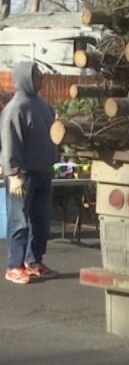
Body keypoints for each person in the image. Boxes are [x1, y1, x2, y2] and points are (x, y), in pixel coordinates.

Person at [2, 62, 59, 285]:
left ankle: (33, 261)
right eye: (36, 74)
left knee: (41, 222)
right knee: (19, 223)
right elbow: (9, 143)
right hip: (23, 175)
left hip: (43, 173)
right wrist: (14, 173)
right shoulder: (16, 108)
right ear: (25, 77)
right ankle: (14, 266)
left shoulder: (43, 105)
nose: (41, 78)